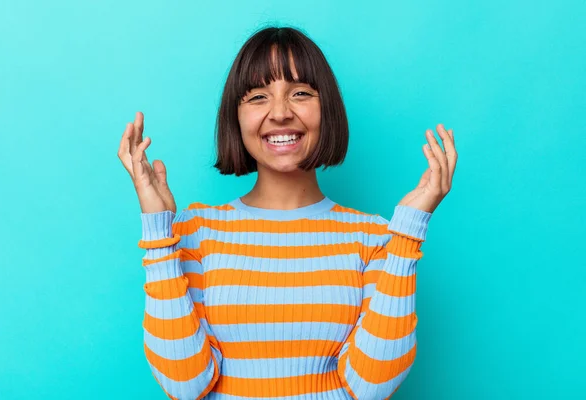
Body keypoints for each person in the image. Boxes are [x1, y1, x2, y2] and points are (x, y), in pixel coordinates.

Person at [117, 26, 457, 400]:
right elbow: (185, 384)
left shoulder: (375, 239)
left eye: (300, 93)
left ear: (327, 109)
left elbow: (372, 386)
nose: (279, 113)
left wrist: (408, 233)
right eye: (258, 97)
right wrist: (158, 234)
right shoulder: (194, 234)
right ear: (237, 117)